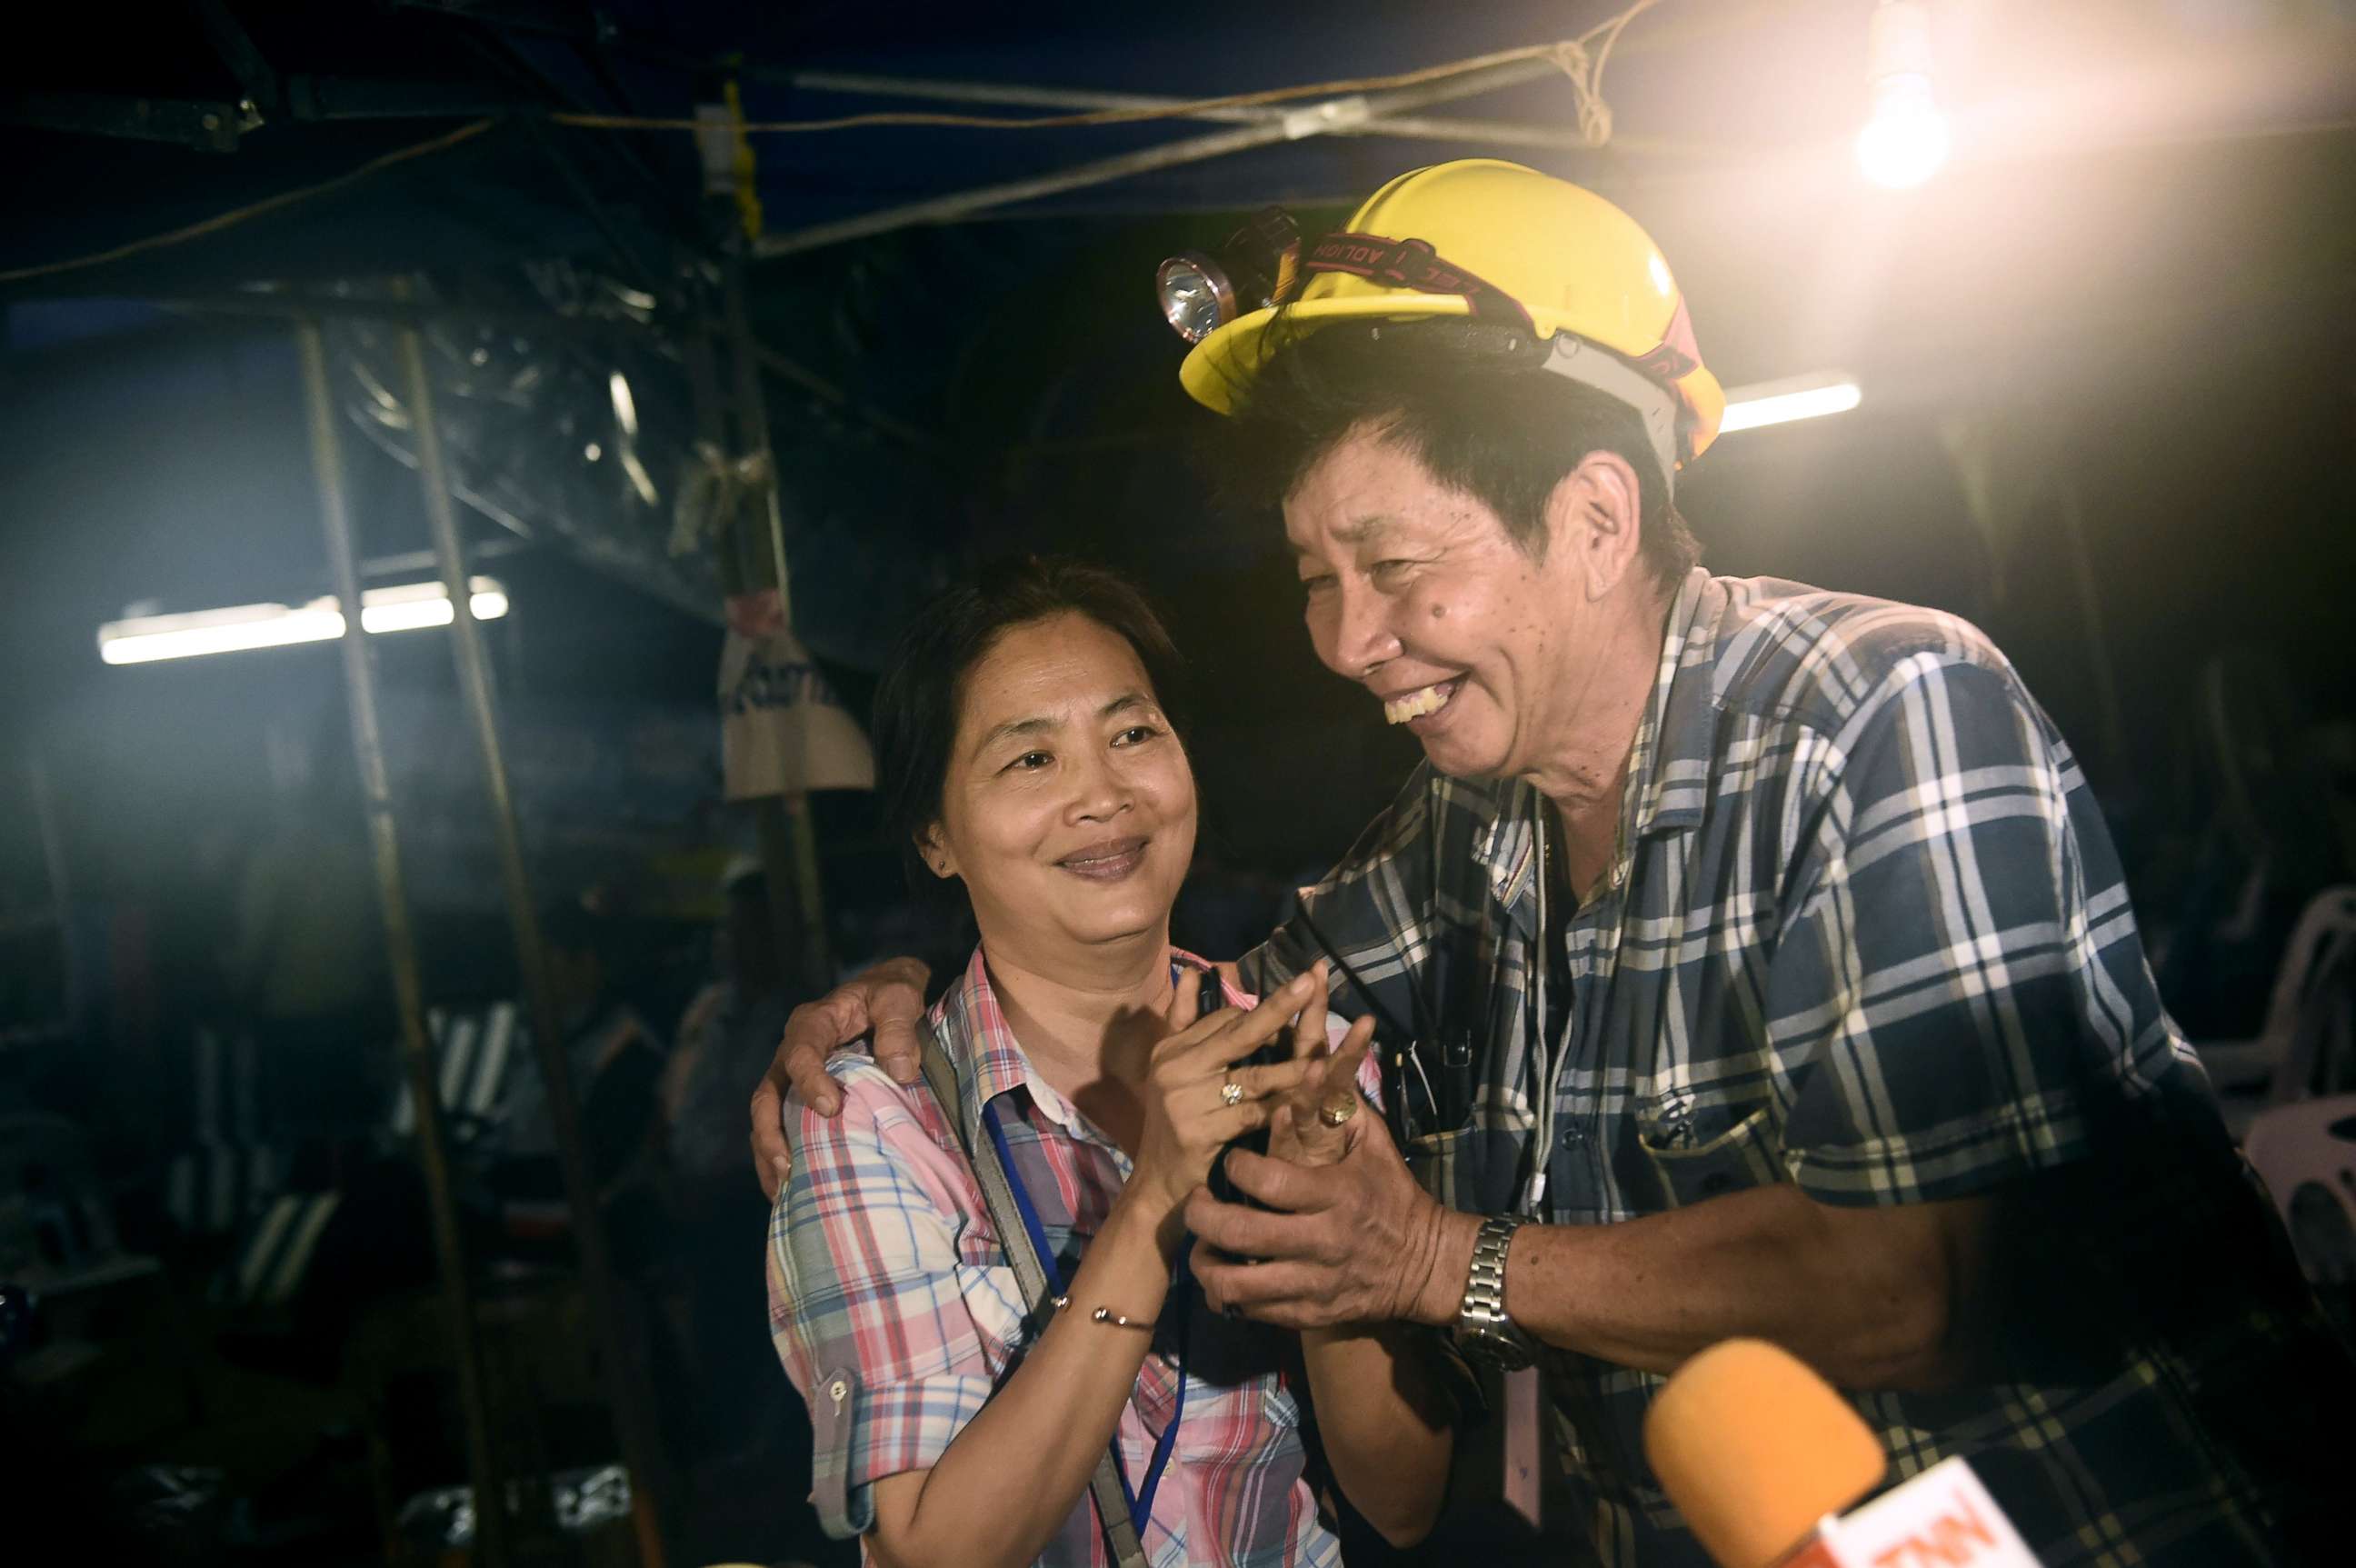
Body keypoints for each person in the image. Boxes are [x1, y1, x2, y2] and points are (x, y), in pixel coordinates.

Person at [754, 162, 2350, 1565]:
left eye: (1392, 570)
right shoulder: (1465, 835)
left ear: (1594, 519)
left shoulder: (1872, 717)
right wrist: (887, 999)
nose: (1348, 644)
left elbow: (1910, 1280)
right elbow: (1186, 983)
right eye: (1316, 579)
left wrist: (1435, 1259)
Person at [765, 557, 1451, 1566]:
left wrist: (1325, 1239)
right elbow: (933, 1553)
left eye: (1133, 734)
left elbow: (1401, 1502)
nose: (1103, 795)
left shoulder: (1297, 1061)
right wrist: (1153, 1198)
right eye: (1030, 761)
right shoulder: (873, 1121)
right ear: (937, 837)